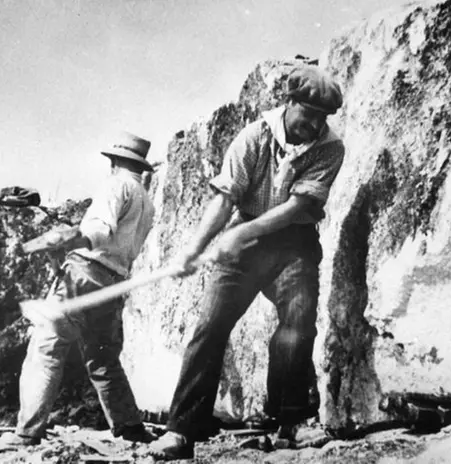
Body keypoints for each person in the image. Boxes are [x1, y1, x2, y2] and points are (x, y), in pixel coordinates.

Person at [148, 66, 345, 460]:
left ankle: (291, 424)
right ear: (289, 103)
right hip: (244, 244)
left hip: (294, 242)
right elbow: (224, 199)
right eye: (308, 113)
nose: (315, 124)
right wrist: (194, 249)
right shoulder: (253, 137)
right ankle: (182, 431)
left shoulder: (330, 147)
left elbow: (296, 209)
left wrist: (241, 233)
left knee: (298, 321)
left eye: (322, 117)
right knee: (210, 327)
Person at [2, 131, 158, 445]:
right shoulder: (147, 200)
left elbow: (99, 230)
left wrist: (68, 237)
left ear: (114, 161)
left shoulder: (116, 185)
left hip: (83, 275)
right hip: (114, 285)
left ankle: (27, 432)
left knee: (46, 348)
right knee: (103, 359)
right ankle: (130, 428)